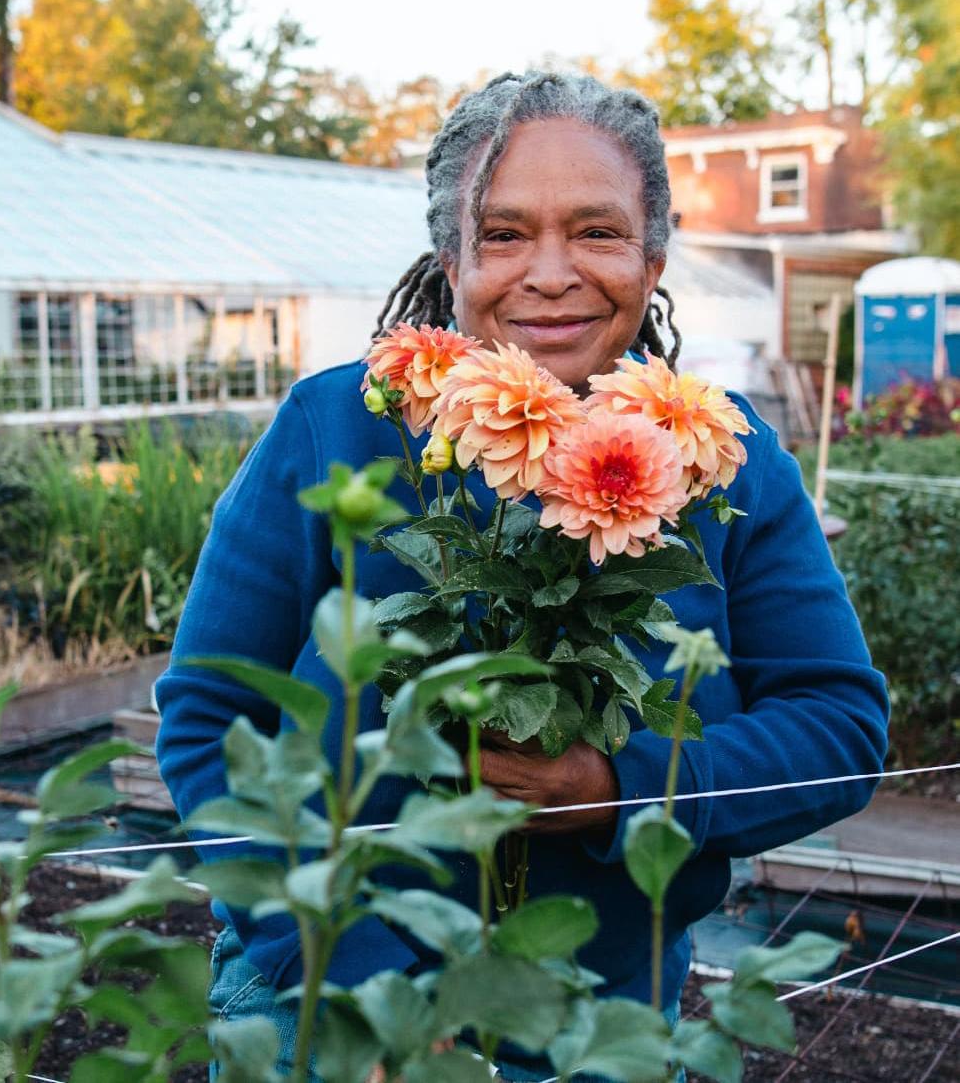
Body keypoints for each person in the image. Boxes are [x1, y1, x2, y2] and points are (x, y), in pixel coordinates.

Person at [154, 71, 889, 1082]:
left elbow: (839, 727)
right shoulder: (334, 429)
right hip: (326, 999)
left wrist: (620, 792)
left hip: (599, 1018)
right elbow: (206, 720)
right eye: (502, 235)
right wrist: (347, 983)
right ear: (449, 260)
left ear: (652, 257)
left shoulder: (725, 458)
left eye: (595, 231)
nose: (549, 273)